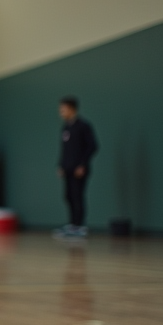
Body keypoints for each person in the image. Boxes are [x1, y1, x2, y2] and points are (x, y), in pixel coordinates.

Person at [54, 96, 97, 239]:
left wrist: (82, 164)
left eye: (63, 109)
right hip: (67, 169)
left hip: (79, 170)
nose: (61, 112)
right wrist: (61, 165)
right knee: (68, 196)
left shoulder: (83, 126)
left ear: (71, 109)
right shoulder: (65, 127)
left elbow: (92, 146)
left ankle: (80, 226)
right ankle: (72, 224)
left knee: (78, 196)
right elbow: (65, 149)